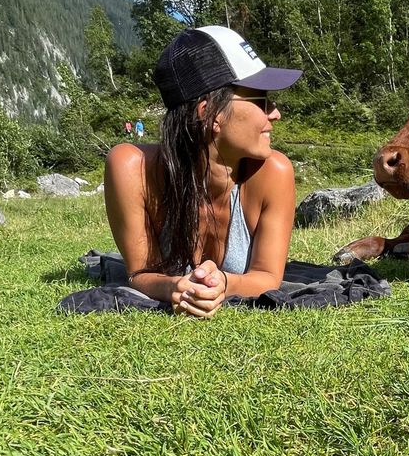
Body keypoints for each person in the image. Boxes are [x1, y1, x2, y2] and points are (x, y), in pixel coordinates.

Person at [104, 26, 301, 318]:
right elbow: (139, 273)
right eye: (262, 101)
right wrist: (175, 287)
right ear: (210, 114)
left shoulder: (273, 173)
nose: (275, 113)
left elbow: (267, 276)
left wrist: (223, 283)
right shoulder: (133, 169)